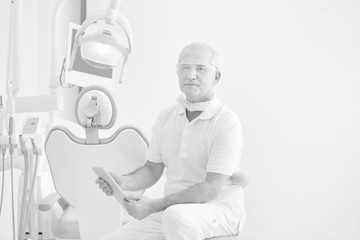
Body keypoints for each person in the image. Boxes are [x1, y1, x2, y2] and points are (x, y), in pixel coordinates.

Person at [96, 42, 246, 240]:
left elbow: (211, 189)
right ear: (177, 71)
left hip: (218, 210)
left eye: (200, 68)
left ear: (216, 77)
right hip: (171, 213)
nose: (191, 74)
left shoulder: (226, 122)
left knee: (176, 217)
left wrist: (153, 205)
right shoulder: (166, 117)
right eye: (185, 67)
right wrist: (122, 182)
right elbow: (151, 170)